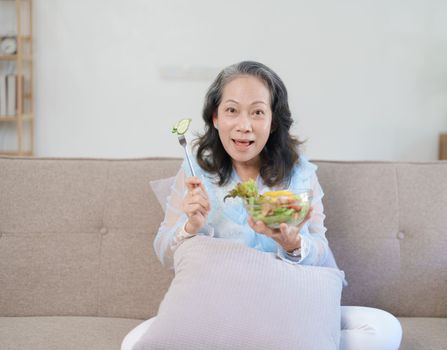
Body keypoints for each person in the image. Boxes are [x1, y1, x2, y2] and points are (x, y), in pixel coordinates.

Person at [121, 61, 402, 350]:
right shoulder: (195, 174)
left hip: (286, 308)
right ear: (215, 117)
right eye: (232, 110)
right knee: (132, 344)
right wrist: (191, 226)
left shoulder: (301, 175)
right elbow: (164, 252)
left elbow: (322, 252)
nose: (244, 126)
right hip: (218, 310)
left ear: (273, 121)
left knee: (383, 328)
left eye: (257, 112)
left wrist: (294, 245)